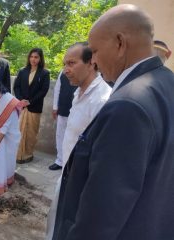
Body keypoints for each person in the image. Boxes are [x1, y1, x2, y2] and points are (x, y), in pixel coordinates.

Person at [51, 5, 174, 240]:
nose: (94, 61)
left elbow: (101, 214)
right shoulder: (166, 84)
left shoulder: (127, 105)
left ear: (120, 43)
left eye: (95, 51)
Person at [46, 42, 111, 238]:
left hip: (82, 184)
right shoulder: (78, 93)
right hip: (68, 173)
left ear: (91, 63)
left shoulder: (102, 100)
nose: (66, 70)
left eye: (72, 63)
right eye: (65, 64)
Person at [13, 48, 50, 163]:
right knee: (18, 131)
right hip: (21, 107)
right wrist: (21, 100)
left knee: (31, 133)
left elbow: (43, 91)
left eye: (36, 57)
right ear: (29, 58)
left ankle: (27, 154)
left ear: (40, 59)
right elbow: (16, 87)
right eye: (32, 57)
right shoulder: (22, 71)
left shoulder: (44, 73)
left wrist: (30, 101)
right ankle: (17, 155)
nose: (33, 59)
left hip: (34, 108)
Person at [49, 72, 77, 170]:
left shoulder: (84, 72)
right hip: (63, 108)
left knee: (73, 137)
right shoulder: (63, 73)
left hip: (76, 110)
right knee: (60, 135)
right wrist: (55, 107)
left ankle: (70, 163)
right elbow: (57, 90)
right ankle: (60, 161)